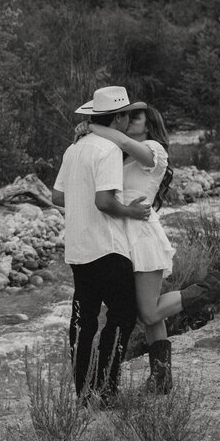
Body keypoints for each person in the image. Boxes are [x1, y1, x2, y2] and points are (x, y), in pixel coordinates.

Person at [78, 103, 220, 394]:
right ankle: (161, 379)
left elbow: (120, 139)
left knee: (148, 312)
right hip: (121, 237)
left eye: (136, 116)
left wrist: (94, 125)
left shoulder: (154, 150)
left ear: (150, 124)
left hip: (142, 236)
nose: (129, 120)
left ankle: (207, 289)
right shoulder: (123, 156)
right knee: (148, 314)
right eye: (126, 116)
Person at [52, 86, 151, 402]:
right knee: (123, 314)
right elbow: (105, 202)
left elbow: (57, 196)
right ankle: (106, 385)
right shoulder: (108, 150)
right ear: (120, 117)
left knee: (83, 322)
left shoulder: (75, 148)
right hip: (107, 247)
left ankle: (83, 391)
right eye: (126, 116)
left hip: (79, 249)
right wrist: (132, 211)